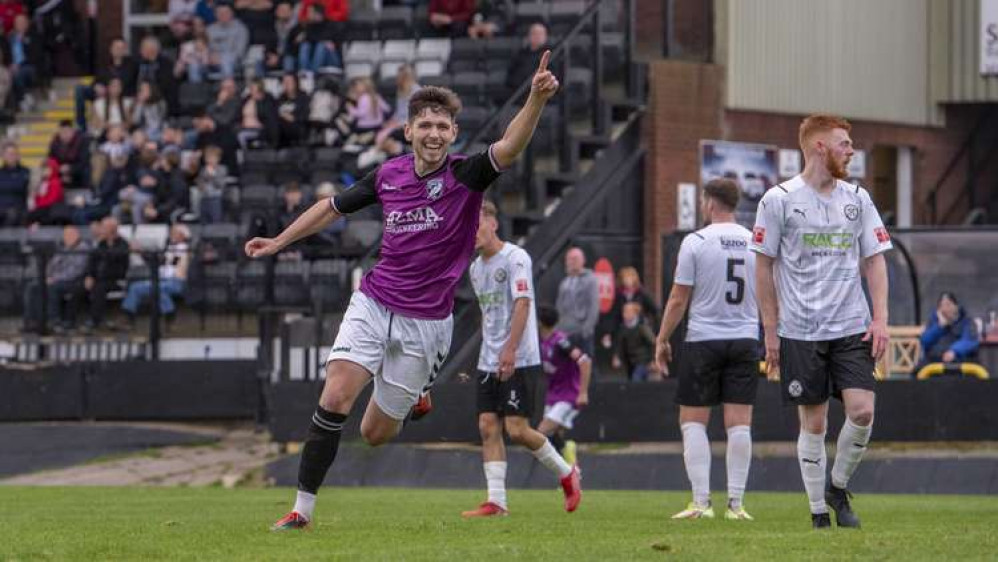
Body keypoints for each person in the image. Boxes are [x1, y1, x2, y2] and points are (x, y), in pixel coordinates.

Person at [245, 51, 561, 531]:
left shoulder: (465, 175)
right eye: (425, 124)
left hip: (426, 324)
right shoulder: (388, 176)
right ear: (409, 130)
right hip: (374, 301)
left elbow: (511, 146)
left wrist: (535, 99)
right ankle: (301, 511)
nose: (433, 132)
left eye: (442, 125)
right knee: (334, 396)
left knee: (374, 434)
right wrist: (279, 241)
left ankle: (417, 395)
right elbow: (331, 208)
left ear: (453, 133)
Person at [751, 114, 891, 529]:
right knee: (814, 423)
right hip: (800, 330)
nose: (851, 150)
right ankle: (817, 512)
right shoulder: (777, 199)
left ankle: (837, 486)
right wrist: (770, 330)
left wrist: (881, 318)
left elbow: (875, 260)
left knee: (863, 411)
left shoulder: (858, 198)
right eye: (844, 143)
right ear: (819, 147)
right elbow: (763, 268)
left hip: (851, 325)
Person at [463, 200, 580, 518]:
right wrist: (491, 349)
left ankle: (566, 473)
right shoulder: (475, 269)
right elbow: (488, 314)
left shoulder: (516, 258)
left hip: (520, 356)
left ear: (493, 224)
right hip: (489, 359)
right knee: (488, 426)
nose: (472, 233)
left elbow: (523, 305)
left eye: (476, 224)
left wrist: (510, 349)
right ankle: (497, 501)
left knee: (516, 430)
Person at [654, 178, 759, 521]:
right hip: (745, 338)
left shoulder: (695, 241)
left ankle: (701, 503)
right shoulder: (753, 241)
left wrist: (662, 337)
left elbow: (678, 297)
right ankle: (736, 505)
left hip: (703, 339)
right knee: (739, 424)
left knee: (693, 420)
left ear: (710, 203)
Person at [536, 304, 592, 468]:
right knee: (554, 435)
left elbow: (585, 362)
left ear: (539, 322)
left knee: (541, 432)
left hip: (568, 396)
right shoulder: (539, 342)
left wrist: (583, 392)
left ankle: (567, 460)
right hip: (553, 395)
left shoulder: (561, 342)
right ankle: (570, 469)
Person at [23, 224, 90, 332]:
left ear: (77, 235)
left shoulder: (82, 248)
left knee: (52, 287)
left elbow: (76, 271)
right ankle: (32, 321)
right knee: (32, 286)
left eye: (70, 235)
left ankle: (54, 321)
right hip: (56, 279)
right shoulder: (63, 248)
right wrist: (46, 276)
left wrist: (55, 278)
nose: (67, 237)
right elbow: (52, 264)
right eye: (65, 235)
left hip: (73, 281)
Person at [122, 223, 191, 325]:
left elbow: (171, 265)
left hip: (176, 281)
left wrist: (142, 253)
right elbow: (157, 262)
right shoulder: (171, 248)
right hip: (164, 280)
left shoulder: (184, 249)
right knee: (151, 289)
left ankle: (129, 315)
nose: (171, 235)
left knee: (144, 287)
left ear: (183, 235)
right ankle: (169, 313)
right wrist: (141, 252)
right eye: (171, 232)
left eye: (175, 233)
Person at [912, 292, 980, 376]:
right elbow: (925, 341)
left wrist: (954, 351)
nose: (945, 309)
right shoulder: (934, 321)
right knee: (918, 371)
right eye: (942, 306)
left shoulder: (966, 321)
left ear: (956, 306)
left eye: (948, 305)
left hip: (960, 361)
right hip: (934, 362)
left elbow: (970, 340)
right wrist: (939, 327)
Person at [75, 38, 135, 131]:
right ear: (111, 49)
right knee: (79, 89)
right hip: (103, 94)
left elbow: (127, 83)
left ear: (125, 50)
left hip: (121, 95)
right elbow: (95, 81)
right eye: (116, 47)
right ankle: (81, 126)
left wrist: (110, 89)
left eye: (121, 48)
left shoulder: (131, 65)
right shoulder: (105, 64)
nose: (119, 50)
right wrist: (96, 86)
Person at [83, 216, 130, 332]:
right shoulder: (101, 244)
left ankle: (94, 321)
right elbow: (92, 261)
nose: (101, 230)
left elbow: (114, 257)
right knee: (76, 287)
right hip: (98, 278)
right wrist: (89, 275)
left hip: (115, 279)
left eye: (104, 227)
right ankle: (67, 321)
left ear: (112, 229)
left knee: (99, 288)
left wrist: (104, 243)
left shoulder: (123, 244)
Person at [556, 247, 600, 356]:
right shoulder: (565, 282)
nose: (572, 262)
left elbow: (594, 306)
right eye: (569, 259)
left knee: (585, 366)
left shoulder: (591, 279)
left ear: (583, 260)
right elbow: (559, 306)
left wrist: (586, 331)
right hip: (564, 332)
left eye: (575, 259)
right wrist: (557, 329)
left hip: (581, 332)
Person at [612, 301, 660, 381]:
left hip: (642, 360)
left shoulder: (642, 328)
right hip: (630, 361)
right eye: (624, 312)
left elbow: (652, 343)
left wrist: (653, 360)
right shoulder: (623, 328)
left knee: (636, 378)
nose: (625, 314)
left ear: (635, 314)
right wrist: (617, 356)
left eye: (628, 312)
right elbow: (620, 344)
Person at [205, 3, 249, 79]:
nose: (223, 15)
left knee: (226, 60)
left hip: (235, 62)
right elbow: (204, 48)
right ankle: (195, 90)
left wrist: (221, 58)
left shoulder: (241, 28)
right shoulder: (209, 30)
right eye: (220, 13)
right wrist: (209, 56)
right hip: (211, 61)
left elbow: (239, 52)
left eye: (226, 12)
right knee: (194, 65)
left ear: (232, 13)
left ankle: (228, 89)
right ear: (215, 15)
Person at [48, 120, 90, 190]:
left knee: (86, 170)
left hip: (78, 173)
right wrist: (60, 170)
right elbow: (51, 161)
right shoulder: (55, 143)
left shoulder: (82, 141)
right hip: (60, 172)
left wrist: (70, 169)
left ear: (73, 131)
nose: (65, 135)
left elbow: (83, 162)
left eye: (67, 132)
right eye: (62, 133)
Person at [508, 23, 550, 90]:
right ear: (529, 36)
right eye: (535, 33)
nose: (537, 36)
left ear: (546, 36)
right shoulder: (520, 55)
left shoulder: (550, 55)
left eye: (541, 33)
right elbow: (511, 77)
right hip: (520, 91)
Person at [195, 145, 228, 222]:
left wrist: (212, 175)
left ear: (218, 158)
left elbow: (220, 185)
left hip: (215, 199)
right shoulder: (203, 170)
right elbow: (200, 182)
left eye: (212, 157)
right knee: (203, 220)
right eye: (207, 157)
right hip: (204, 198)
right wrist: (200, 184)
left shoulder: (222, 169)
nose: (209, 160)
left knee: (216, 221)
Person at [0, 141, 29, 226]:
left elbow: (21, 188)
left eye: (13, 153)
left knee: (11, 215)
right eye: (8, 153)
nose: (11, 156)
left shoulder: (25, 172)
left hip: (17, 211)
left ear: (17, 155)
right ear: (3, 156)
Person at [276, 73, 309, 147]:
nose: (286, 84)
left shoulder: (303, 97)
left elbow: (305, 116)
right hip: (282, 129)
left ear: (296, 83)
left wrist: (290, 117)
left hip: (298, 128)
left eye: (289, 82)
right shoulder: (281, 98)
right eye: (284, 82)